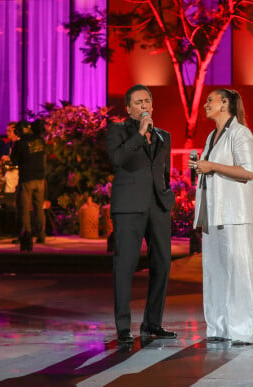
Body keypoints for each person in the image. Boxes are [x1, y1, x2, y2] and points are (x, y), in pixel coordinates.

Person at [189, 88, 253, 345]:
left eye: (210, 100)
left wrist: (212, 166)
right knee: (215, 271)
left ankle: (243, 330)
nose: (206, 104)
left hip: (234, 213)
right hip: (213, 212)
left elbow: (247, 171)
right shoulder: (212, 135)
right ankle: (219, 327)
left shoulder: (241, 133)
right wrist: (202, 167)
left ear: (225, 103)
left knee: (237, 270)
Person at [106, 84, 176, 344]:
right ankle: (124, 327)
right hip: (128, 207)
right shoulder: (117, 131)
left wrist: (167, 195)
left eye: (147, 100)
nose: (144, 105)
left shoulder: (164, 136)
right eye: (138, 102)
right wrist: (140, 133)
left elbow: (163, 170)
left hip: (158, 206)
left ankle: (152, 322)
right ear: (128, 108)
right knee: (125, 266)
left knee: (163, 264)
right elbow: (117, 159)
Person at [11, 119, 46, 244]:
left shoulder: (20, 143)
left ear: (21, 130)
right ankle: (41, 235)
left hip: (27, 178)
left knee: (24, 208)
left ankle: (25, 235)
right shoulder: (40, 140)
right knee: (39, 208)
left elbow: (14, 161)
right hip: (40, 178)